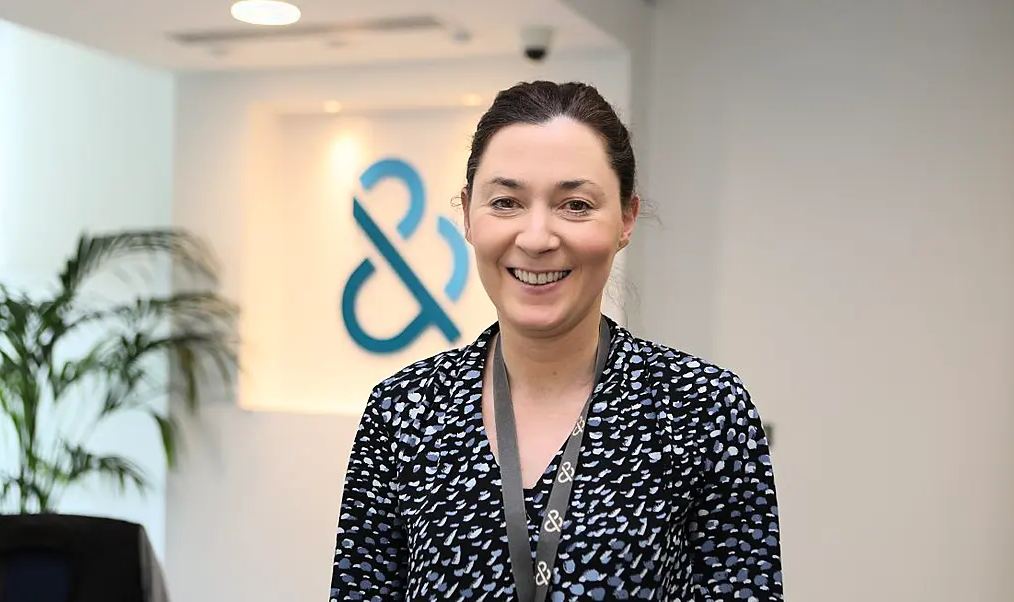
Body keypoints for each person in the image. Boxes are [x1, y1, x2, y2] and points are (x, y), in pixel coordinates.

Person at [329, 80, 784, 601]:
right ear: (467, 215)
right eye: (506, 201)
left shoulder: (702, 409)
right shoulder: (404, 410)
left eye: (575, 204)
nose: (538, 237)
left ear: (626, 219)